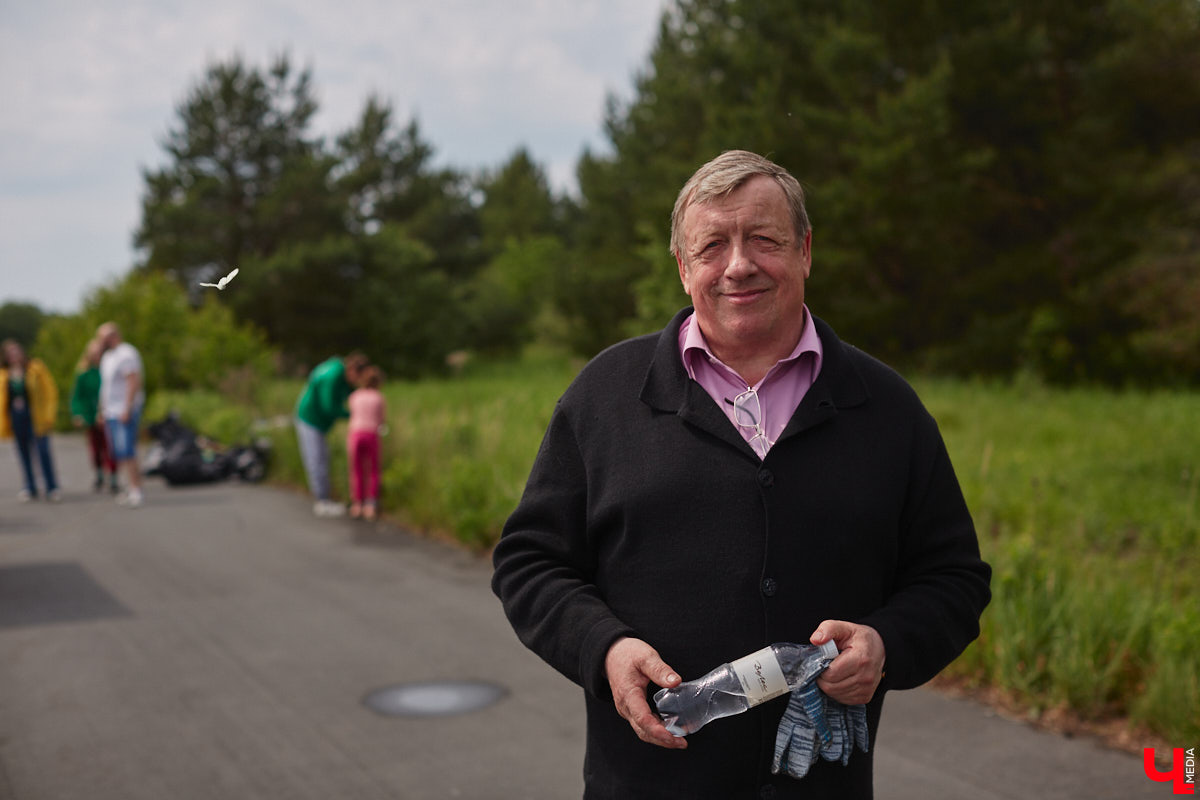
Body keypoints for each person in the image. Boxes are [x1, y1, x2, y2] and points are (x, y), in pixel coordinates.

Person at [491, 150, 992, 799]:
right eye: (712, 246)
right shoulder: (606, 397)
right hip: (645, 783)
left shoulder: (887, 408)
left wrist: (887, 644)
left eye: (764, 239)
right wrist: (605, 650)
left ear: (806, 250)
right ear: (682, 266)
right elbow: (528, 562)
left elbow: (953, 580)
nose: (739, 265)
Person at [294, 353, 368, 517]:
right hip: (310, 418)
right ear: (352, 370)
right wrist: (354, 415)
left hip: (317, 421)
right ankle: (322, 501)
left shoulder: (339, 370)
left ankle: (324, 497)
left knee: (322, 457)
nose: (356, 382)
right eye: (358, 377)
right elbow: (329, 406)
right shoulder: (333, 376)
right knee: (317, 458)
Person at [0, 339, 60, 502]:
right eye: (10, 353)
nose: (14, 355)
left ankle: (52, 487)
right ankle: (30, 486)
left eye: (16, 351)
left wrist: (49, 415)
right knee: (23, 452)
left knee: (43, 451)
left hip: (36, 415)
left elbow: (50, 392)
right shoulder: (4, 374)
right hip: (15, 416)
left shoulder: (35, 368)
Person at [97, 322, 145, 508]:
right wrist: (102, 410)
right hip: (111, 411)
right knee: (119, 452)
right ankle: (130, 486)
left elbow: (133, 381)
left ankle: (136, 489)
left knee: (127, 450)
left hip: (123, 410)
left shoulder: (126, 353)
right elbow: (106, 387)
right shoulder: (108, 357)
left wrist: (128, 407)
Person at [70, 337, 118, 493]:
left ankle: (113, 477)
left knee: (109, 447)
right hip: (91, 414)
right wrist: (78, 413)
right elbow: (78, 396)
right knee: (95, 447)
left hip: (107, 413)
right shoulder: (84, 374)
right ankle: (99, 475)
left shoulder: (107, 370)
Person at [346, 365, 386, 521]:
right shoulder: (378, 397)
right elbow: (381, 420)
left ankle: (357, 504)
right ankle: (371, 504)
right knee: (373, 469)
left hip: (356, 434)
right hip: (371, 434)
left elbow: (353, 415)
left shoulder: (355, 396)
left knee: (356, 469)